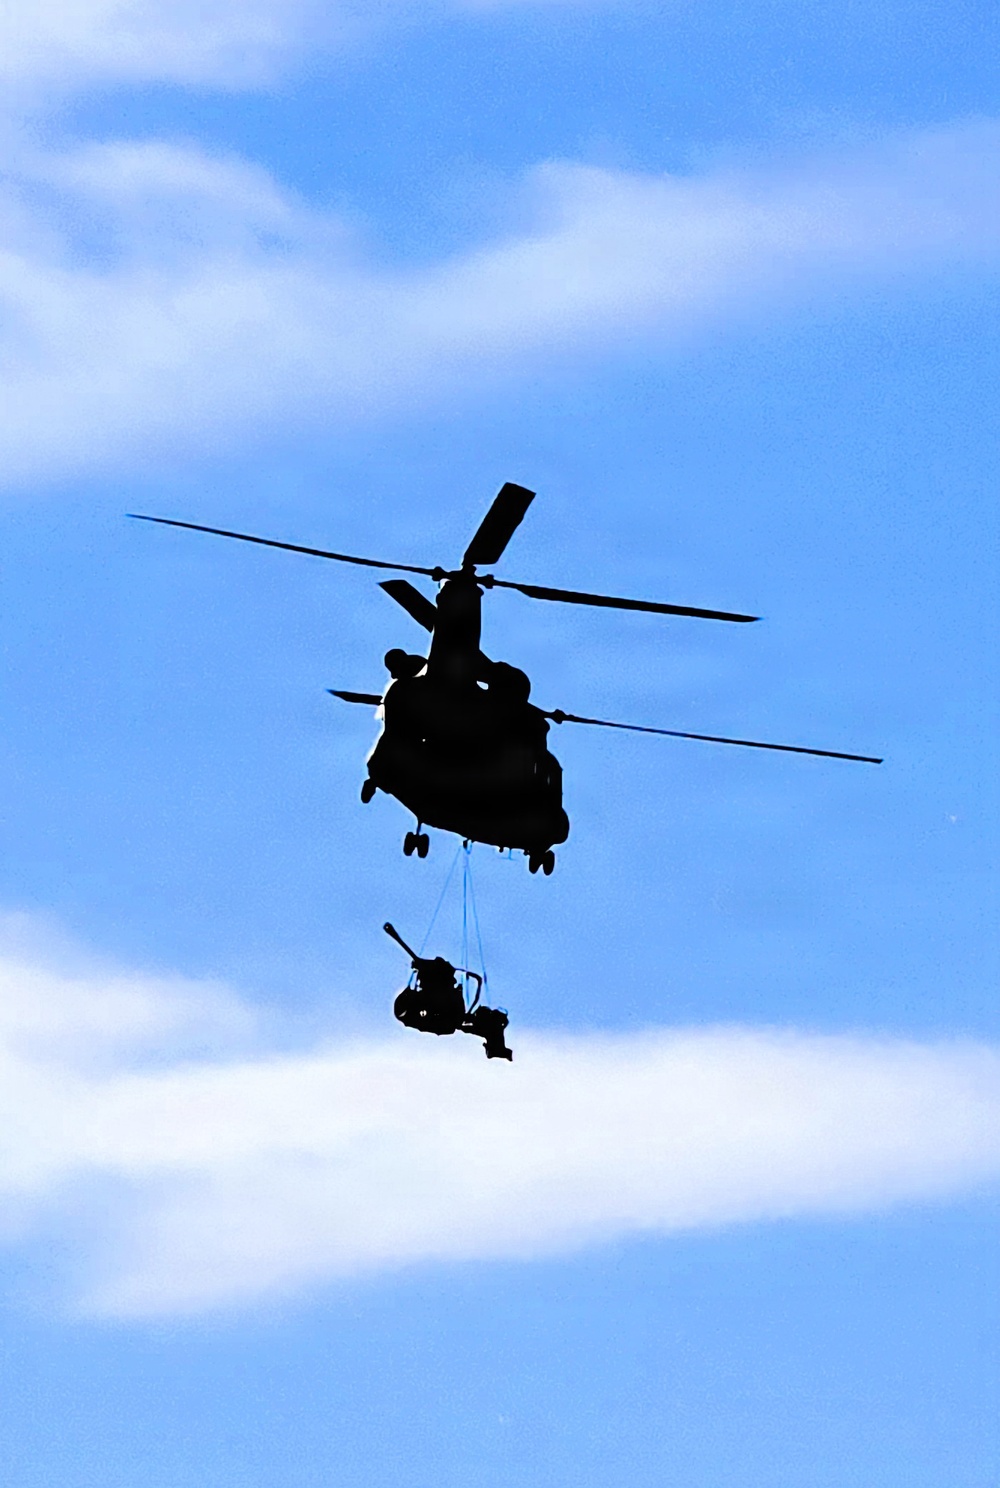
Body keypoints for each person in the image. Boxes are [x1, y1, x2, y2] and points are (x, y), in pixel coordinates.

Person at [384, 923, 513, 1060]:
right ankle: (496, 1046)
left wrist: (425, 967)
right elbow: (446, 1018)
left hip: (449, 1012)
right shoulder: (428, 1009)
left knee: (490, 1023)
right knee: (490, 1022)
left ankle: (496, 1047)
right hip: (449, 1015)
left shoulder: (430, 996)